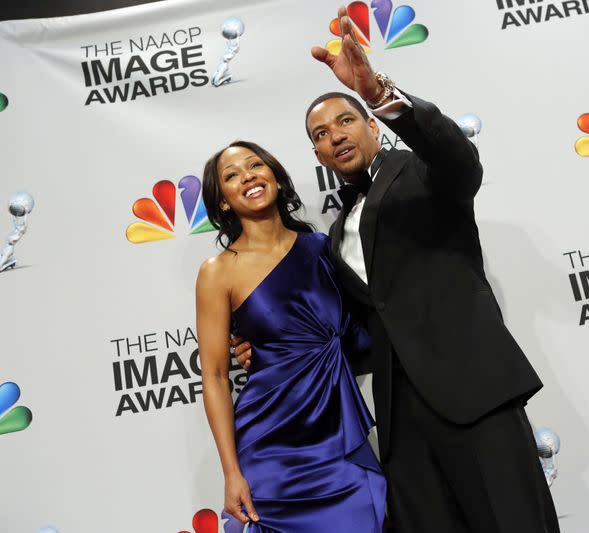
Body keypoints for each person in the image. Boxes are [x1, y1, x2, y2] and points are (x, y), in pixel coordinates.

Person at [236, 6, 560, 532]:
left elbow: (459, 158)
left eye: (345, 120)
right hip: (401, 421)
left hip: (473, 394)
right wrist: (277, 347)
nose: (335, 135)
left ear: (371, 124)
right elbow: (367, 330)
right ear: (316, 152)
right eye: (320, 133)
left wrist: (382, 92)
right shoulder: (334, 235)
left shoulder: (422, 174)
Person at [195, 140, 385, 533]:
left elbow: (362, 329)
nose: (247, 176)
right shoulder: (218, 271)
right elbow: (214, 376)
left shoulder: (322, 248)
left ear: (275, 178)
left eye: (254, 165)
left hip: (338, 435)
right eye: (231, 175)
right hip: (270, 446)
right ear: (224, 202)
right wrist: (231, 472)